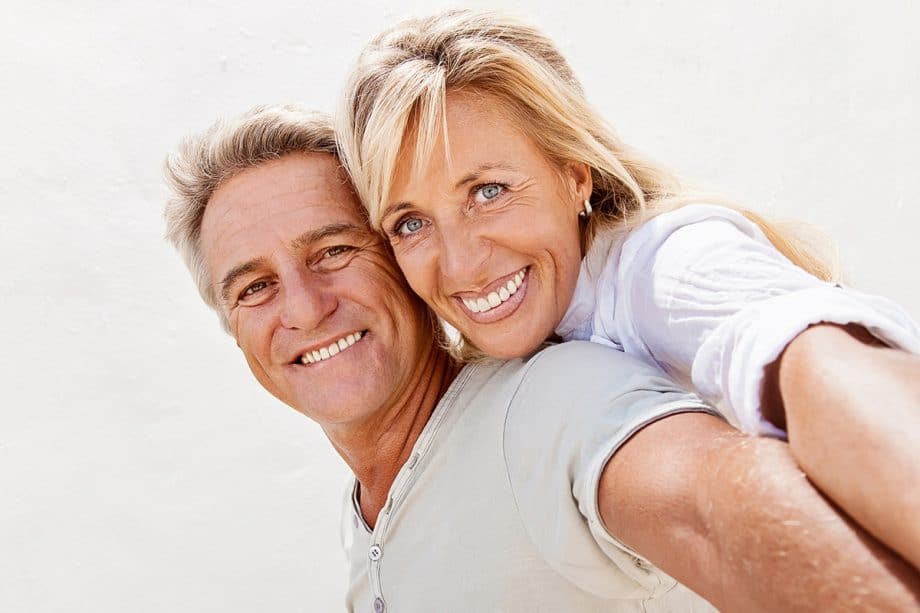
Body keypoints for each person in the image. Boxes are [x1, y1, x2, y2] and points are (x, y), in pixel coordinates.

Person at [163, 104, 919, 612]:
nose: (301, 307)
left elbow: (722, 514)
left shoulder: (547, 405)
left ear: (400, 259)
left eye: (332, 251)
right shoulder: (369, 517)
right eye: (255, 286)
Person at [337, 9, 920, 570]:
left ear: (574, 175)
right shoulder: (514, 362)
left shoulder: (663, 264)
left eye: (488, 191)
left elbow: (806, 345)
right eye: (411, 223)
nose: (462, 266)